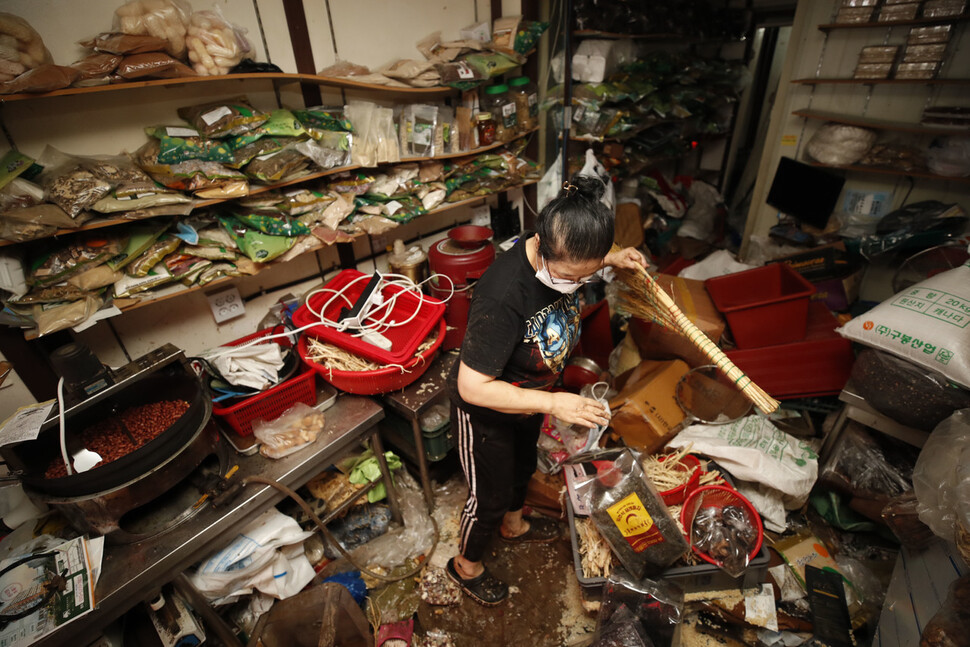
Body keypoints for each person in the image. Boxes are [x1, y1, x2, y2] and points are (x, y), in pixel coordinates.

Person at [445, 176, 647, 605]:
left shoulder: (566, 247)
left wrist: (614, 258)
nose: (578, 284)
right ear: (542, 246)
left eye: (586, 274)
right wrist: (554, 401)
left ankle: (514, 525)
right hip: (486, 409)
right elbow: (472, 384)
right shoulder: (502, 295)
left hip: (528, 396)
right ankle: (466, 566)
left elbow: (585, 259)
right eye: (571, 276)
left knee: (522, 471)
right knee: (490, 494)